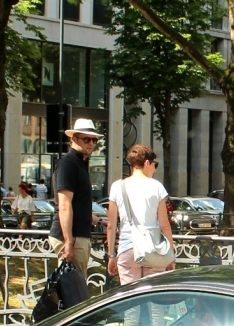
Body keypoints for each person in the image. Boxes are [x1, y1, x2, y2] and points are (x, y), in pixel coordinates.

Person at [106, 144, 174, 285]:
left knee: (130, 299)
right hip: (153, 249)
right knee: (153, 298)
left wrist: (111, 255)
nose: (155, 169)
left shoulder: (117, 186)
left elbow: (111, 226)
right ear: (147, 163)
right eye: (155, 165)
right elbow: (165, 226)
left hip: (127, 248)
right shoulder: (156, 187)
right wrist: (170, 255)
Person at [50, 118, 99, 275]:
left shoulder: (79, 163)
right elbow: (64, 205)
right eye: (86, 139)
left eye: (93, 140)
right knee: (74, 290)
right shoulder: (68, 163)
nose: (90, 143)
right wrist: (69, 241)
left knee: (71, 288)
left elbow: (78, 204)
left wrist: (99, 221)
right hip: (73, 237)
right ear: (74, 139)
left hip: (77, 235)